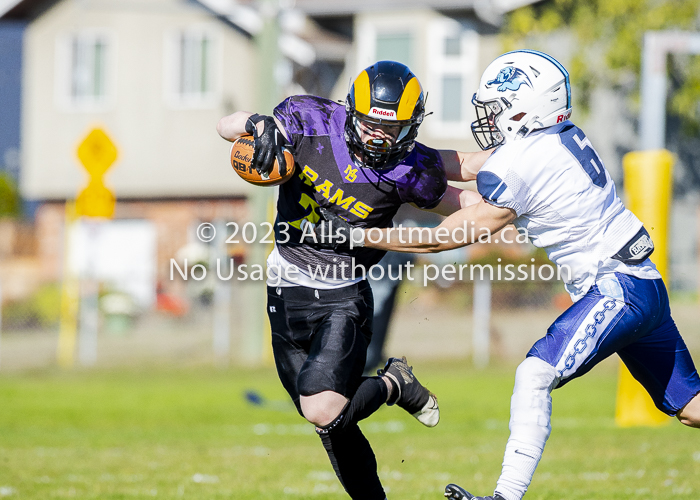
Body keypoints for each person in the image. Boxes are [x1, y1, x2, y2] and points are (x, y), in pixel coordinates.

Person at [308, 50, 700, 500]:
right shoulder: (550, 141)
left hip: (617, 288)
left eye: (495, 108)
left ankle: (505, 497)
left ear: (522, 107)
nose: (489, 119)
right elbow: (465, 164)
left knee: (534, 373)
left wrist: (364, 236)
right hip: (640, 283)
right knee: (691, 408)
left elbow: (447, 236)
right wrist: (392, 151)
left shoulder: (527, 159)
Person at [217, 60, 490, 500]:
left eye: (394, 129)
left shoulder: (411, 169)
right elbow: (225, 126)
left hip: (344, 292)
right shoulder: (311, 120)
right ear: (352, 112)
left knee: (322, 407)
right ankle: (395, 385)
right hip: (285, 281)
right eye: (371, 126)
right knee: (331, 422)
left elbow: (467, 204)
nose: (381, 138)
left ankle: (390, 384)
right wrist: (255, 124)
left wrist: (512, 206)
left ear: (412, 126)